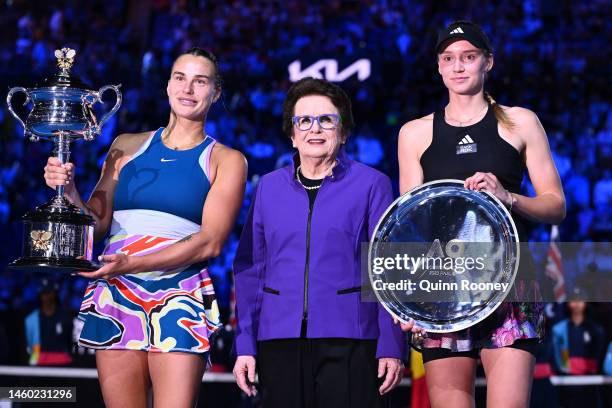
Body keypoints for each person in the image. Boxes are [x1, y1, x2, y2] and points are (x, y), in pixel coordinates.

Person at [43, 47, 247, 407]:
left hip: (177, 294)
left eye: (200, 81)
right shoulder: (126, 146)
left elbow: (210, 244)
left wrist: (131, 263)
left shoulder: (227, 160)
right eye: (180, 78)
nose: (188, 89)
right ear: (168, 85)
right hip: (117, 292)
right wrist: (69, 190)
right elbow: (96, 224)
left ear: (215, 93)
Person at [397, 21, 566, 407]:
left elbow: (556, 205)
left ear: (487, 62)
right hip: (443, 290)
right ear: (439, 67)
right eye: (449, 58)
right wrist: (407, 297)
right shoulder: (415, 133)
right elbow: (410, 228)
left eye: (468, 57)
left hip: (510, 282)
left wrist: (508, 196)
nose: (458, 67)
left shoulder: (520, 122)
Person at [232, 78, 405, 408]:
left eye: (327, 119)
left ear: (343, 131)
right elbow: (251, 270)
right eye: (304, 120)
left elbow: (387, 270)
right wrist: (245, 345)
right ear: (292, 134)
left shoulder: (373, 184)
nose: (316, 129)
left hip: (352, 337)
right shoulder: (268, 187)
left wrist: (391, 344)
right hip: (278, 338)